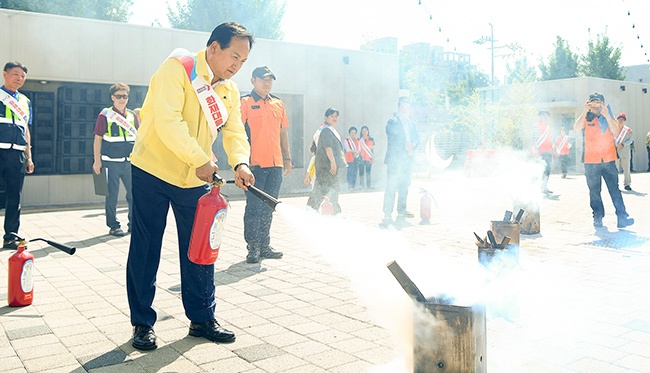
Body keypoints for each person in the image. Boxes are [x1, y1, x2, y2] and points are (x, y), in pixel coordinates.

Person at [125, 22, 255, 352]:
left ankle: (202, 318)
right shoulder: (176, 69)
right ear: (213, 48)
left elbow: (235, 131)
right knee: (146, 246)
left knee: (200, 248)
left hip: (194, 179)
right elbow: (169, 121)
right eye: (233, 56)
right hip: (152, 170)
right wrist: (200, 158)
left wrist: (240, 162)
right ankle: (142, 323)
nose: (236, 66)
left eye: (242, 61)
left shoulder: (230, 89)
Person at [240, 66, 291, 264]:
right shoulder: (245, 102)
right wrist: (242, 163)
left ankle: (264, 245)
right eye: (263, 79)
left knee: (269, 207)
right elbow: (238, 133)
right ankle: (253, 247)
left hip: (276, 164)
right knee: (253, 207)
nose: (267, 83)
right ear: (253, 80)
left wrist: (287, 158)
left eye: (270, 80)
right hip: (255, 165)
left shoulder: (278, 103)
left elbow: (282, 133)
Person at [573, 93, 634, 229]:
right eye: (593, 102)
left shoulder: (609, 117)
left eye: (598, 102)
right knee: (594, 191)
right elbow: (576, 128)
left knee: (615, 190)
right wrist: (585, 110)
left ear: (603, 103)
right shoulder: (586, 117)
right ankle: (598, 217)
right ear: (589, 103)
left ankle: (622, 218)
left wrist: (606, 115)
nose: (596, 106)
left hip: (608, 160)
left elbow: (616, 132)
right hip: (591, 161)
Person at [92, 83, 138, 237]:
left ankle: (133, 223)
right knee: (111, 195)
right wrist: (96, 161)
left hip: (129, 163)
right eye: (119, 96)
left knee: (134, 195)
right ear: (112, 97)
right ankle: (113, 225)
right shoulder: (105, 115)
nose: (122, 99)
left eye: (125, 96)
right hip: (110, 163)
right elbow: (97, 139)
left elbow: (139, 139)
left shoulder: (132, 115)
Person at [0, 62, 34, 249]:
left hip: (17, 155)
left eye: (22, 76)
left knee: (14, 196)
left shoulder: (25, 101)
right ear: (5, 74)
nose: (19, 79)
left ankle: (11, 235)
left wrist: (29, 157)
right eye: (15, 74)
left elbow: (26, 129)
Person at [381, 97, 419, 228]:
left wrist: (412, 144)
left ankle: (401, 215)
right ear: (398, 109)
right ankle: (387, 215)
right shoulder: (392, 122)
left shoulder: (412, 124)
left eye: (407, 108)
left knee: (404, 188)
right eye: (402, 108)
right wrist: (405, 146)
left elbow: (417, 139)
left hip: (407, 161)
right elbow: (393, 137)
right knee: (391, 188)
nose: (405, 110)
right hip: (395, 161)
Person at [306, 107, 345, 214]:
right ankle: (315, 210)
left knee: (323, 188)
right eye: (331, 116)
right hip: (327, 165)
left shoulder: (324, 129)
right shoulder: (327, 130)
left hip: (324, 164)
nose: (334, 118)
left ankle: (312, 209)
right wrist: (333, 162)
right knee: (328, 188)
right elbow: (328, 147)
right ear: (326, 117)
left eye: (336, 116)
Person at [533, 110, 553, 194]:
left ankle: (544, 187)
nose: (545, 117)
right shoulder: (536, 126)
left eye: (546, 116)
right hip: (540, 152)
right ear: (540, 116)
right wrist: (536, 152)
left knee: (547, 170)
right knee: (538, 171)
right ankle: (534, 187)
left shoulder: (548, 127)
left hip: (548, 152)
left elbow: (549, 140)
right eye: (543, 115)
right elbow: (534, 140)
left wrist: (552, 151)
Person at [614, 113, 633, 191]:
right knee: (615, 169)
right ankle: (615, 184)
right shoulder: (614, 129)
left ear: (625, 121)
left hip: (625, 151)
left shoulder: (628, 130)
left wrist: (623, 144)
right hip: (615, 151)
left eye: (622, 120)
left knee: (626, 168)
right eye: (619, 119)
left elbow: (631, 140)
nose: (620, 121)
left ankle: (627, 184)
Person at [343, 126, 360, 191]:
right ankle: (349, 186)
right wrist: (355, 151)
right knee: (350, 173)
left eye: (354, 133)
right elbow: (347, 149)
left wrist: (357, 152)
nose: (353, 134)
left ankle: (353, 186)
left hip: (355, 159)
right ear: (349, 133)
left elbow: (359, 149)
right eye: (351, 132)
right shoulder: (346, 140)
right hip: (349, 159)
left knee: (355, 172)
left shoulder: (357, 141)